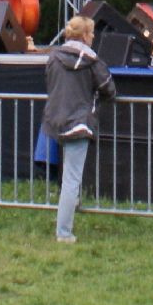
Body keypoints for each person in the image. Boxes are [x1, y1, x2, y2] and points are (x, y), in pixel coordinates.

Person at [42, 13, 116, 243]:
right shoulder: (92, 61)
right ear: (84, 35)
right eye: (91, 32)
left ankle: (70, 209)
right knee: (72, 179)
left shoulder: (54, 57)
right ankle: (63, 232)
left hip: (56, 119)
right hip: (79, 122)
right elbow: (109, 89)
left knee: (69, 176)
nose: (93, 36)